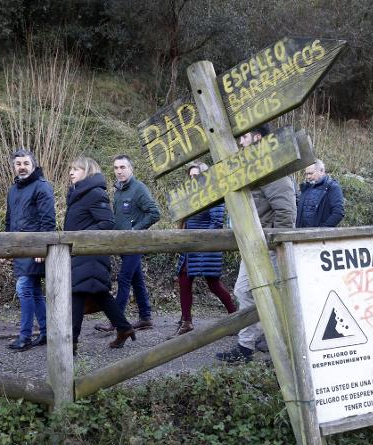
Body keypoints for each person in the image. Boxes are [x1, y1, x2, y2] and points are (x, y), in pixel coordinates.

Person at [215, 125, 297, 363]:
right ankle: (248, 345)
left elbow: (286, 212)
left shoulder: (271, 168)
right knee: (244, 291)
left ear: (257, 138)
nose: (241, 143)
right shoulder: (251, 168)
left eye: (244, 137)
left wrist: (271, 243)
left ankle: (279, 348)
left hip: (267, 246)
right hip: (252, 245)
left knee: (271, 295)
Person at [65, 156, 135, 354]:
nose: (71, 172)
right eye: (71, 168)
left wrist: (81, 237)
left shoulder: (95, 193)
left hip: (91, 254)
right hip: (82, 254)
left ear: (87, 171)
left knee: (77, 293)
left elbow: (107, 222)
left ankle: (71, 343)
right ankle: (124, 328)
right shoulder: (79, 193)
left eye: (76, 169)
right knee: (100, 294)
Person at [95, 154, 160, 333]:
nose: (119, 171)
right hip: (122, 245)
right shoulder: (118, 190)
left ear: (131, 169)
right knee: (137, 280)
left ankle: (116, 320)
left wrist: (135, 230)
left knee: (124, 279)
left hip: (134, 244)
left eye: (123, 167)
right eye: (116, 168)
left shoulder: (139, 189)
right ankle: (145, 317)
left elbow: (154, 213)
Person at [170, 162, 237, 338]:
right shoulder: (190, 195)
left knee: (214, 284)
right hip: (190, 247)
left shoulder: (214, 193)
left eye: (196, 176)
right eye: (190, 176)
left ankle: (235, 317)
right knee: (184, 279)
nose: (193, 179)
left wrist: (201, 243)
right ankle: (186, 321)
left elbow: (216, 222)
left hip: (206, 246)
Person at [5, 149, 56, 351]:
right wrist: (8, 245)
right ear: (14, 167)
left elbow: (48, 221)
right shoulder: (13, 189)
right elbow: (9, 220)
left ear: (33, 164)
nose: (22, 167)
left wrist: (41, 249)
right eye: (18, 164)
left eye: (26, 163)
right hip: (19, 249)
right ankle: (45, 332)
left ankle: (25, 336)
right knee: (33, 291)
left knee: (24, 288)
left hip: (35, 250)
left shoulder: (42, 187)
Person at [296, 159, 345, 228]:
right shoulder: (305, 188)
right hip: (301, 235)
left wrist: (322, 230)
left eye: (311, 173)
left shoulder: (332, 187)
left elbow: (338, 213)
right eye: (306, 174)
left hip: (321, 236)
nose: (308, 177)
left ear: (321, 171)